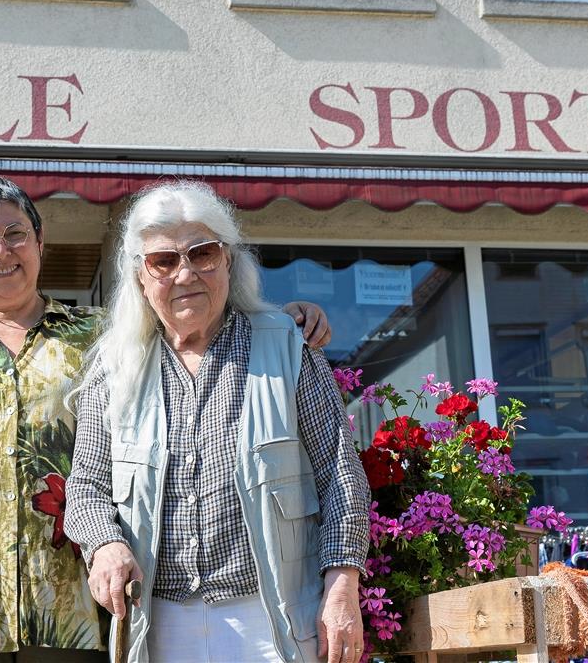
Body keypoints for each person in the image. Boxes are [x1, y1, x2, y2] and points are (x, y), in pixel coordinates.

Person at [0, 176, 333, 663]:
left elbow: (189, 310)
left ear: (40, 241)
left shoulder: (101, 336)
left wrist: (285, 318)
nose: (1, 250)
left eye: (15, 234)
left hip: (74, 606)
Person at [64, 180, 371, 663]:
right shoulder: (114, 366)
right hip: (159, 620)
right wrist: (103, 544)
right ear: (141, 278)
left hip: (272, 619)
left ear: (229, 260)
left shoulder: (286, 347)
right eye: (163, 261)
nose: (185, 273)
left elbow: (342, 476)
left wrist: (342, 586)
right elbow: (85, 486)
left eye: (202, 253)